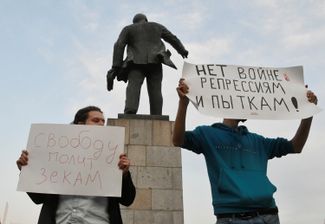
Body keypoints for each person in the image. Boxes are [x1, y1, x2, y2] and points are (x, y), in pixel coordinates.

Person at [172, 79, 318, 224]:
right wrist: (183, 103)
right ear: (227, 101)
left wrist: (308, 114)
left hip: (268, 216)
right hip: (230, 216)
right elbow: (177, 140)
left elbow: (296, 146)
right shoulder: (206, 134)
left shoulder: (259, 141)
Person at [16, 106, 136, 224]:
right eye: (95, 120)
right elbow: (38, 199)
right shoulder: (55, 156)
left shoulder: (112, 156)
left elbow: (127, 200)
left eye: (103, 121)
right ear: (80, 125)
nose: (101, 124)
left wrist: (124, 174)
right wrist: (26, 170)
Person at [109, 13, 189, 115]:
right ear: (146, 19)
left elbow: (119, 45)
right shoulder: (156, 26)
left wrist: (115, 66)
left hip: (135, 63)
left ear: (134, 22)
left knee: (133, 86)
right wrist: (182, 50)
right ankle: (156, 114)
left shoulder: (128, 29)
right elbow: (172, 38)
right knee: (155, 89)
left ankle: (130, 111)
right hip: (155, 61)